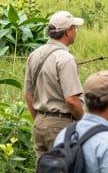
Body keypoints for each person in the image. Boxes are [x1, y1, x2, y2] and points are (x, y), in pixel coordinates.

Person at [24, 10, 85, 161]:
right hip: (61, 126)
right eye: (74, 28)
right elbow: (71, 100)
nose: (75, 32)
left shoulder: (35, 54)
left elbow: (28, 95)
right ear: (68, 32)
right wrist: (84, 122)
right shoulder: (66, 58)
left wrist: (40, 119)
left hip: (39, 124)